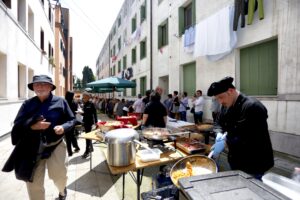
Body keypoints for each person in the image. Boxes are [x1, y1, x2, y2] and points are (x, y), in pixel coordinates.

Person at [2, 75, 75, 200]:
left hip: (55, 145)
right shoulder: (27, 104)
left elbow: (72, 119)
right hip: (33, 148)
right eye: (37, 84)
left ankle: (62, 191)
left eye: (44, 84)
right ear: (33, 88)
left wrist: (63, 127)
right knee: (33, 183)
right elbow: (17, 124)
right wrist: (32, 126)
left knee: (59, 176)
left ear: (51, 87)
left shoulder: (61, 101)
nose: (40, 87)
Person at [207, 76, 274, 180]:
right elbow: (218, 123)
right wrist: (219, 133)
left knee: (252, 191)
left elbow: (248, 136)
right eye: (217, 99)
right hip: (235, 159)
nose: (220, 102)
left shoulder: (252, 106)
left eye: (221, 97)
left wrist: (225, 142)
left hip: (253, 161)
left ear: (231, 91)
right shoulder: (225, 105)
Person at [81, 92, 98, 159]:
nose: (83, 98)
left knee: (87, 137)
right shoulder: (84, 104)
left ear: (88, 97)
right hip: (85, 122)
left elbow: (95, 113)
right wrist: (81, 113)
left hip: (90, 123)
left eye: (84, 97)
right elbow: (85, 114)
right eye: (83, 97)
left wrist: (96, 122)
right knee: (87, 136)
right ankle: (91, 148)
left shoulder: (91, 104)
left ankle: (87, 151)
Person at [65, 91, 81, 156]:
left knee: (68, 137)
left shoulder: (64, 102)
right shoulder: (74, 102)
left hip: (65, 121)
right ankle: (76, 147)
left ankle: (70, 152)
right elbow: (76, 110)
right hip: (72, 121)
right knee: (72, 135)